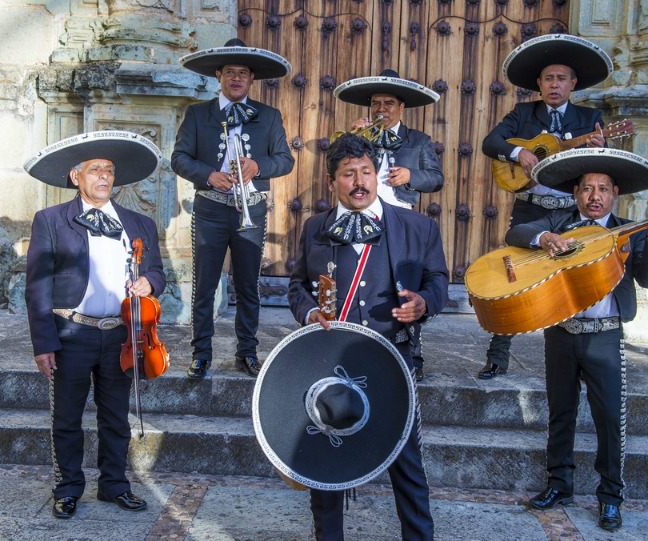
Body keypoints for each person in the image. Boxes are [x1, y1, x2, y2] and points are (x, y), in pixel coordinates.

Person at [288, 133, 449, 540]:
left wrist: (424, 303)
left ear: (377, 176)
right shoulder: (314, 228)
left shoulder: (418, 227)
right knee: (326, 464)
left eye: (366, 172)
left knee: (405, 460)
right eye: (348, 174)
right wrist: (307, 311)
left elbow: (438, 280)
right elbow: (297, 285)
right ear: (332, 182)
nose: (359, 182)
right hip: (329, 363)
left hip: (393, 361)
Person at [505, 148, 648, 531]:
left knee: (609, 419)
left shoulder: (631, 231)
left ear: (615, 193)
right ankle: (559, 485)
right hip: (561, 333)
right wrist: (545, 236)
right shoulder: (560, 221)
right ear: (576, 194)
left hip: (605, 336)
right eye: (586, 189)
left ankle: (610, 497)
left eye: (602, 189)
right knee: (560, 413)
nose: (594, 196)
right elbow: (515, 232)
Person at [23, 131, 166, 519]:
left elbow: (157, 271)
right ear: (75, 177)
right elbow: (36, 287)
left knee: (116, 417)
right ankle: (68, 487)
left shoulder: (140, 223)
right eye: (95, 169)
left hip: (120, 335)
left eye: (109, 170)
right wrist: (43, 342)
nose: (104, 176)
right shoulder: (51, 220)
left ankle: (114, 485)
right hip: (71, 333)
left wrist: (149, 282)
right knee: (67, 417)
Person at [479, 34, 613, 379]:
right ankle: (497, 357)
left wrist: (598, 147)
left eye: (562, 78)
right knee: (512, 274)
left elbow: (602, 167)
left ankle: (573, 356)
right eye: (549, 78)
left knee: (573, 273)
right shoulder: (523, 113)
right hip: (531, 207)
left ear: (573, 83)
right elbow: (490, 142)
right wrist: (517, 152)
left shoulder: (590, 117)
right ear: (539, 84)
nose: (555, 85)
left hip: (572, 211)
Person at [172, 38, 295, 379]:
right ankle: (201, 353)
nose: (236, 78)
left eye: (243, 73)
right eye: (230, 73)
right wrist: (209, 175)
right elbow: (179, 158)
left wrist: (258, 166)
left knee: (247, 286)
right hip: (211, 208)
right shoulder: (198, 114)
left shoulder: (269, 116)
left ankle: (247, 353)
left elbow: (286, 160)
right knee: (205, 284)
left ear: (251, 78)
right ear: (218, 76)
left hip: (251, 210)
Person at [333, 68, 444, 381]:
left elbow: (437, 179)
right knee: (366, 283)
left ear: (401, 107)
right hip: (362, 214)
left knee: (405, 284)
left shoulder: (419, 140)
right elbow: (337, 163)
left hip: (401, 218)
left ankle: (414, 354)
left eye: (388, 104)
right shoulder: (361, 136)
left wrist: (412, 176)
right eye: (377, 104)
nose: (382, 109)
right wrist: (351, 136)